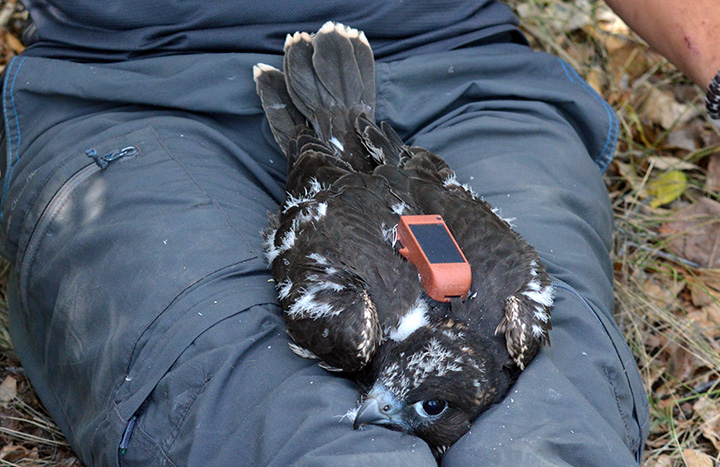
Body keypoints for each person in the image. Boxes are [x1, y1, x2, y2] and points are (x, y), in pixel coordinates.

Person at [0, 1, 673, 464]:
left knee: (547, 428)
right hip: (137, 85)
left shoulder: (509, 313)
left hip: (461, 77)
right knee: (297, 434)